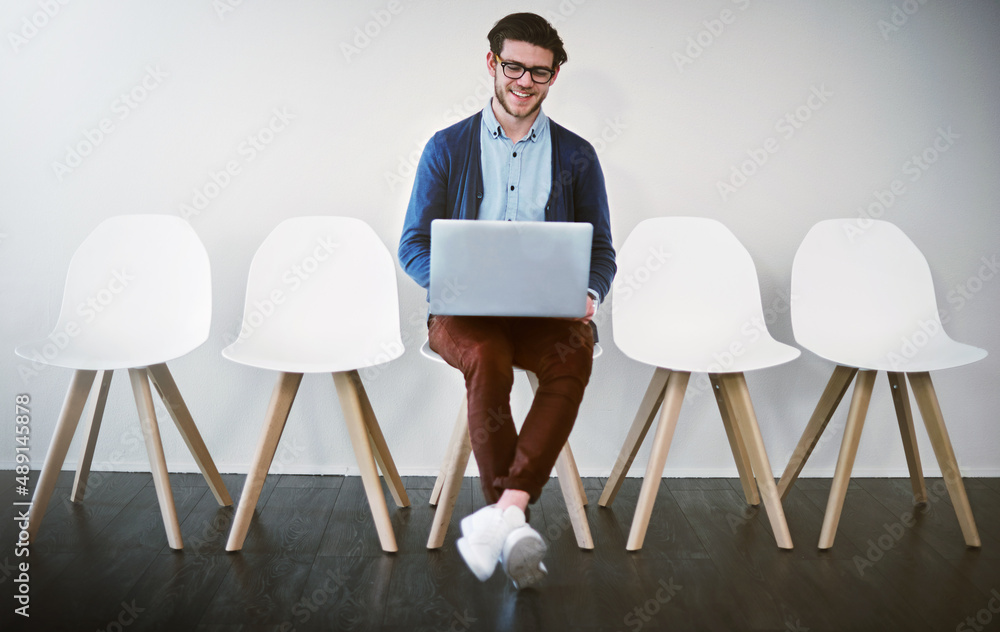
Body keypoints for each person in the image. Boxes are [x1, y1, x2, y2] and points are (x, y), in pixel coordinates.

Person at [398, 12, 615, 589]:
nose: (525, 82)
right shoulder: (447, 147)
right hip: (464, 316)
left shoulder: (578, 155)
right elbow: (413, 243)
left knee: (576, 351)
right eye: (514, 67)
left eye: (539, 73)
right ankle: (512, 515)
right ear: (492, 63)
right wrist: (444, 283)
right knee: (488, 358)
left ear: (555, 75)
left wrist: (590, 293)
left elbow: (603, 251)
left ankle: (505, 514)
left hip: (545, 317)